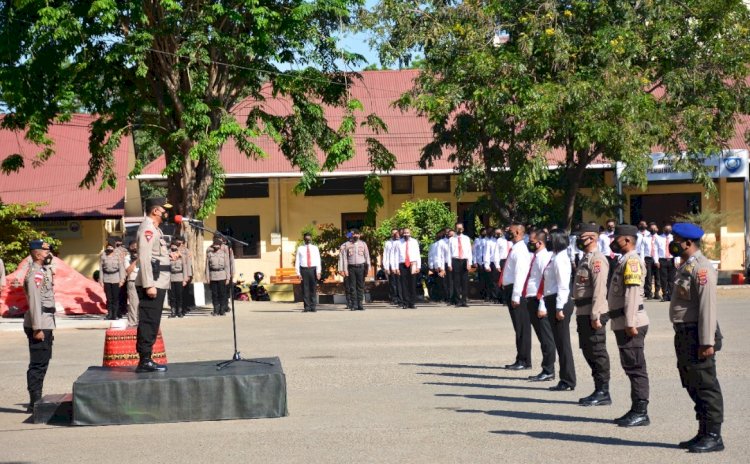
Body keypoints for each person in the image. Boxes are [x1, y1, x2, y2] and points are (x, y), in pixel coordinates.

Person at [669, 223, 725, 452]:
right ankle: (703, 431)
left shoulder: (702, 268)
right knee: (692, 382)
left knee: (706, 385)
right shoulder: (687, 266)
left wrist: (707, 342)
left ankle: (714, 435)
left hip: (697, 334)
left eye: (676, 240)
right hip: (685, 332)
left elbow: (707, 308)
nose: (672, 243)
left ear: (688, 243)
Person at [608, 224, 651, 427]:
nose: (613, 241)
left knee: (635, 367)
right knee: (630, 366)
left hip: (631, 322)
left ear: (626, 240)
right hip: (623, 321)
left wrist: (630, 322)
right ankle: (636, 408)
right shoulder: (623, 260)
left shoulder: (632, 261)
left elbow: (632, 293)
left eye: (616, 238)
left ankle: (641, 411)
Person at [574, 223, 612, 406]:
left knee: (597, 352)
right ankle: (598, 388)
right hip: (583, 310)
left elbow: (599, 289)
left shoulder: (597, 259)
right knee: (588, 350)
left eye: (582, 237)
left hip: (592, 311)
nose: (578, 240)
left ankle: (603, 391)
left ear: (593, 238)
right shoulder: (585, 258)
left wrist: (596, 314)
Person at [134, 197, 172, 373]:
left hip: (159, 280)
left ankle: (147, 358)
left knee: (153, 321)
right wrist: (149, 284)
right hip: (153, 282)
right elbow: (144, 257)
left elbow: (156, 255)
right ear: (155, 211)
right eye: (164, 209)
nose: (167, 213)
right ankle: (145, 360)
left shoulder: (156, 229)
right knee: (149, 321)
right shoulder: (148, 229)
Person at [23, 240, 56, 412]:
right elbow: (35, 301)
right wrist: (37, 328)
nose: (48, 253)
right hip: (40, 322)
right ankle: (34, 402)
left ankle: (37, 398)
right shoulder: (35, 273)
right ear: (36, 253)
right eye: (44, 251)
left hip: (45, 320)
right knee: (38, 363)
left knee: (43, 361)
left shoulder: (43, 271)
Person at [542, 231, 576, 391]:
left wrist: (559, 307)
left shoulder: (561, 259)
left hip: (559, 301)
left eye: (549, 239)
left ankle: (568, 380)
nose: (547, 241)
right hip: (552, 300)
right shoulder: (555, 257)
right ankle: (565, 378)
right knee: (559, 341)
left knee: (563, 343)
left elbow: (563, 285)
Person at [522, 230, 556, 382]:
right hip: (531, 299)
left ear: (540, 243)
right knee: (542, 338)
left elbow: (546, 282)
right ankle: (546, 369)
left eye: (531, 241)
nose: (529, 243)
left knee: (546, 338)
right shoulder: (535, 257)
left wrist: (543, 305)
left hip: (538, 300)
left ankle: (548, 369)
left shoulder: (544, 258)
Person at [502, 222, 532, 370]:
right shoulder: (515, 248)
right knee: (519, 327)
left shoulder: (520, 250)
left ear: (519, 233)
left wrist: (516, 295)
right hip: (512, 289)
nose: (507, 232)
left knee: (522, 327)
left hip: (516, 290)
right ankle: (521, 357)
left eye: (511, 230)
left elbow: (520, 274)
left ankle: (524, 360)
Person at [340, 229, 370, 311]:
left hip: (361, 267)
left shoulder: (363, 244)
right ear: (352, 235)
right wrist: (345, 269)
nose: (355, 236)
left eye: (357, 234)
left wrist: (368, 268)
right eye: (354, 234)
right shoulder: (347, 245)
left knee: (360, 286)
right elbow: (345, 258)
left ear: (360, 235)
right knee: (352, 287)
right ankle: (354, 305)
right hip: (351, 268)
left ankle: (360, 304)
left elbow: (367, 256)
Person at [99, 238, 126, 320]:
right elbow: (101, 268)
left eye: (111, 246)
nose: (110, 247)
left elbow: (121, 268)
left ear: (114, 246)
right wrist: (101, 280)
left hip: (116, 278)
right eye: (108, 246)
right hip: (107, 278)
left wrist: (122, 280)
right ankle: (109, 314)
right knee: (109, 298)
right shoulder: (103, 255)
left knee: (116, 298)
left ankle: (115, 314)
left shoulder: (118, 254)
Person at [295, 233, 321, 312]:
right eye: (306, 238)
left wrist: (318, 271)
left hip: (313, 269)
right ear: (304, 239)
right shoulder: (300, 248)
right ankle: (307, 307)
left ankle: (313, 307)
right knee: (305, 289)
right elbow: (297, 261)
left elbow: (318, 260)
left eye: (309, 238)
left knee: (313, 288)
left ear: (311, 239)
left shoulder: (315, 248)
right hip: (304, 269)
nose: (308, 240)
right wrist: (298, 273)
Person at [449, 223, 472, 307]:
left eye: (460, 228)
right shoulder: (451, 239)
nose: (459, 230)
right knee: (456, 281)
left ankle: (464, 301)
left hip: (464, 260)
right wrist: (449, 264)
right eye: (457, 228)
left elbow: (469, 251)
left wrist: (469, 263)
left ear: (463, 229)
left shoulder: (466, 238)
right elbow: (449, 252)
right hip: (455, 260)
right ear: (455, 229)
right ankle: (458, 301)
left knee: (465, 281)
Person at [397, 228, 421, 309]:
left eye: (407, 233)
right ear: (402, 234)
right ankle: (405, 303)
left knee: (412, 284)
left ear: (410, 233)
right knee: (404, 284)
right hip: (402, 264)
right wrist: (396, 267)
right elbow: (396, 256)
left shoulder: (414, 242)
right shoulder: (399, 243)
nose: (406, 234)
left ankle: (412, 303)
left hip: (412, 264)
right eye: (404, 233)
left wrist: (418, 266)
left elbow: (418, 254)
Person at [206, 236, 230, 316]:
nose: (215, 246)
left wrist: (228, 278)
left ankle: (222, 310)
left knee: (222, 293)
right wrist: (208, 278)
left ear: (220, 246)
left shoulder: (224, 254)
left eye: (217, 245)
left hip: (222, 275)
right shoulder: (210, 254)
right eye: (214, 245)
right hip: (213, 276)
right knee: (214, 294)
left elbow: (227, 266)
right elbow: (207, 267)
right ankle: (216, 310)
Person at [167, 240, 189, 318]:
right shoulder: (168, 256)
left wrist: (184, 279)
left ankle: (179, 311)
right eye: (172, 246)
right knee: (172, 296)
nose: (173, 248)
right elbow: (167, 269)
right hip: (171, 278)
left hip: (179, 277)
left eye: (175, 247)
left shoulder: (181, 256)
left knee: (179, 295)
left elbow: (185, 268)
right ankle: (173, 311)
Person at [173, 236, 194, 314]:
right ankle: (178, 308)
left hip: (186, 273)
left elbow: (188, 264)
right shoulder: (173, 250)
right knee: (177, 293)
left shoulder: (186, 251)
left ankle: (184, 308)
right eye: (178, 241)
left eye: (180, 242)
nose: (179, 243)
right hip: (177, 275)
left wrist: (189, 275)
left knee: (185, 292)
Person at [635, 220, 654, 299]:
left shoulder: (649, 234)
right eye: (641, 224)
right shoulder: (636, 234)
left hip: (646, 256)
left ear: (646, 225)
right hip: (637, 254)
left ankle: (648, 292)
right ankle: (640, 291)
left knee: (648, 275)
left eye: (644, 224)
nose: (642, 225)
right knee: (639, 274)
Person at [383, 229, 402, 307]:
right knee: (393, 283)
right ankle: (394, 298)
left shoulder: (401, 242)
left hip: (400, 265)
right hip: (391, 265)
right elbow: (385, 255)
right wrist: (386, 267)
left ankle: (401, 298)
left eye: (396, 233)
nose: (395, 234)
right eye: (393, 233)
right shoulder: (388, 243)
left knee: (400, 283)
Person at [124, 240, 139, 327]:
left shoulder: (143, 256)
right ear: (129, 248)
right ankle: (133, 322)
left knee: (143, 304)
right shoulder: (127, 258)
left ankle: (142, 322)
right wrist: (136, 260)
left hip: (143, 281)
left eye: (137, 247)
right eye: (133, 247)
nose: (135, 248)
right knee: (133, 303)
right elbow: (128, 271)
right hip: (132, 281)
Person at [660, 224, 676, 302]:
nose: (668, 230)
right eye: (666, 229)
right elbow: (656, 250)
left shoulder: (673, 238)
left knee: (671, 279)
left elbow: (677, 250)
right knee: (663, 279)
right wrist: (656, 261)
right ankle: (664, 295)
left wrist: (677, 260)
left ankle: (671, 294)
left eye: (669, 229)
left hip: (672, 260)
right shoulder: (659, 238)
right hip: (662, 260)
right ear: (663, 229)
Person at [338, 231, 354, 309]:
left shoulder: (357, 244)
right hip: (346, 269)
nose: (350, 238)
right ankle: (349, 302)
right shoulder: (343, 246)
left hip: (355, 268)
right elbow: (340, 258)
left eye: (351, 236)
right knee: (347, 286)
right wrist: (341, 269)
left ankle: (356, 302)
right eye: (349, 236)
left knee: (355, 286)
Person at [648, 222, 663, 299]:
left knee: (658, 276)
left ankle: (657, 293)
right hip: (649, 259)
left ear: (657, 229)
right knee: (649, 277)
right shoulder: (646, 238)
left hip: (658, 259)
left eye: (655, 228)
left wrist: (658, 260)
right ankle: (649, 293)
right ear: (649, 229)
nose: (653, 229)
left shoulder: (660, 238)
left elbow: (661, 249)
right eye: (652, 228)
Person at [473, 228, 488, 301]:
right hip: (479, 261)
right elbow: (474, 251)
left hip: (486, 261)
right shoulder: (477, 240)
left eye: (485, 232)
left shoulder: (487, 240)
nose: (484, 233)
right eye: (483, 232)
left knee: (487, 279)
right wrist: (475, 261)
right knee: (481, 278)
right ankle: (482, 294)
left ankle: (487, 294)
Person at [440, 229, 453, 304]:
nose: (449, 234)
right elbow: (440, 255)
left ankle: (453, 297)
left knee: (453, 281)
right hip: (445, 263)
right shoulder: (442, 242)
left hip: (454, 263)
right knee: (446, 281)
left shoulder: (454, 240)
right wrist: (441, 267)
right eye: (447, 232)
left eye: (450, 232)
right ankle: (447, 297)